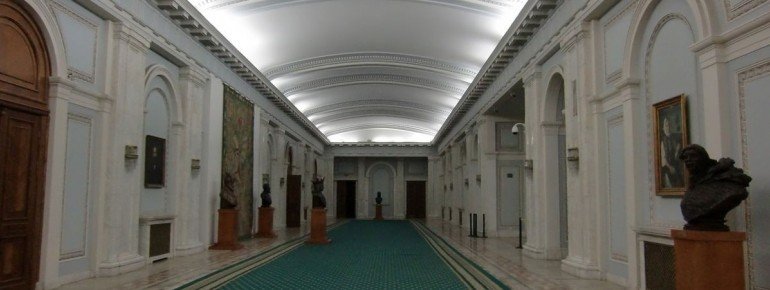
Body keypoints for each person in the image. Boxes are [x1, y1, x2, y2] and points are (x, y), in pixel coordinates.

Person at [678, 144, 751, 231]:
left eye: (693, 156)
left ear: (704, 159)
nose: (688, 160)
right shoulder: (694, 184)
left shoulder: (727, 182)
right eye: (685, 158)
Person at [660, 116, 684, 188]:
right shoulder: (662, 142)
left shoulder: (675, 138)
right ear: (663, 128)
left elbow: (678, 151)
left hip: (677, 165)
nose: (668, 127)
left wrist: (677, 151)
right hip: (668, 167)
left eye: (669, 125)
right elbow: (663, 159)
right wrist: (670, 167)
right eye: (666, 125)